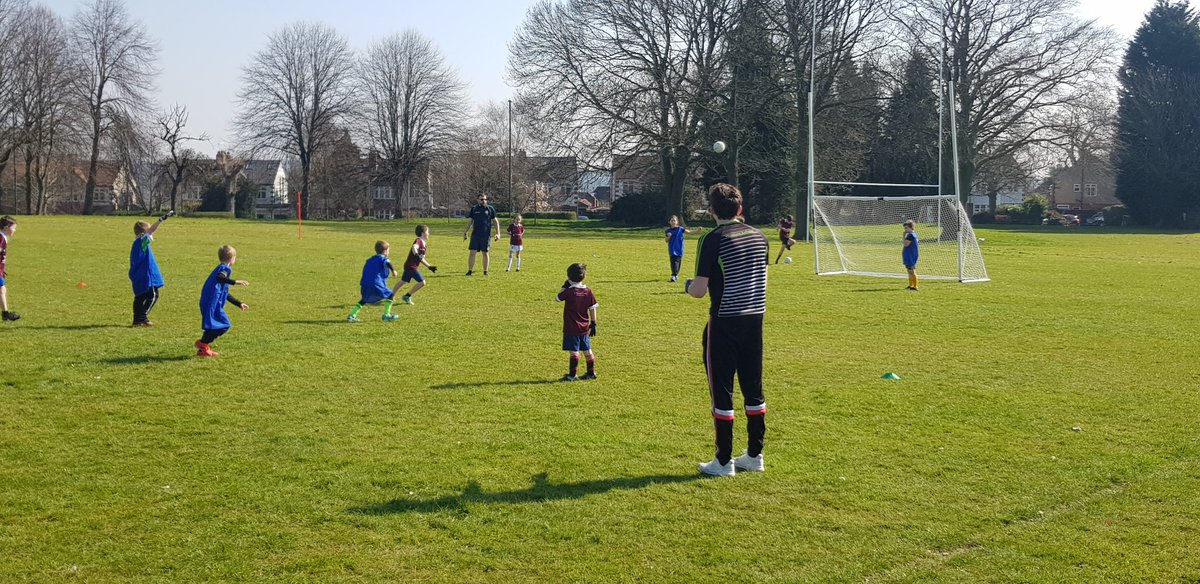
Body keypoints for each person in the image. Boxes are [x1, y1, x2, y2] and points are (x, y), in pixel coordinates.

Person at [686, 183, 769, 477]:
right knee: (753, 389)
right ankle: (755, 455)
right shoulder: (760, 237)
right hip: (754, 320)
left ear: (711, 211)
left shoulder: (712, 239)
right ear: (740, 210)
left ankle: (723, 462)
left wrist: (686, 286)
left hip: (724, 322)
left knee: (722, 391)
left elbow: (698, 291)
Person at [196, 245, 249, 357]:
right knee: (224, 325)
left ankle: (203, 349)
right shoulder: (224, 269)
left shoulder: (221, 268)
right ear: (232, 258)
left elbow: (225, 293)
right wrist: (236, 282)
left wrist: (239, 303)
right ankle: (202, 343)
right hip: (212, 304)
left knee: (213, 326)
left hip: (211, 303)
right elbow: (221, 278)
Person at [128, 210, 174, 327]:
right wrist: (160, 220)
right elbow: (151, 230)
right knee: (153, 295)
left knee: (139, 297)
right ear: (143, 233)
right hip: (145, 276)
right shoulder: (141, 243)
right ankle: (142, 317)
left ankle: (136, 319)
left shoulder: (135, 244)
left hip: (138, 275)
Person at [555, 262, 598, 382]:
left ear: (569, 277)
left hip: (571, 327)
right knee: (587, 350)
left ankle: (572, 375)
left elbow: (558, 298)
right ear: (584, 277)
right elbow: (592, 307)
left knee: (574, 351)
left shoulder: (569, 292)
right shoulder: (588, 291)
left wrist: (565, 285)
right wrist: (593, 323)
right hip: (584, 327)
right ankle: (591, 372)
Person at [348, 240, 400, 322]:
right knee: (390, 294)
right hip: (376, 283)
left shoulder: (370, 259)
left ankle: (352, 315)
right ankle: (386, 315)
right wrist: (393, 270)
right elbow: (387, 262)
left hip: (365, 283)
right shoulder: (383, 258)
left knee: (364, 299)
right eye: (389, 250)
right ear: (385, 251)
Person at [392, 225, 437, 305]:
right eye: (427, 232)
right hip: (411, 266)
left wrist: (429, 267)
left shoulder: (424, 245)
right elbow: (414, 247)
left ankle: (390, 296)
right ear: (423, 233)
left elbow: (421, 259)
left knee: (403, 281)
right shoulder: (419, 240)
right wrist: (416, 253)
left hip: (411, 266)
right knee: (422, 282)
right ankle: (407, 296)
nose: (429, 233)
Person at [463, 194, 500, 275]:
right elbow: (470, 221)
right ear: (478, 200)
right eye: (481, 199)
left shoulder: (490, 209)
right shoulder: (474, 209)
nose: (483, 201)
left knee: (485, 252)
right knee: (472, 252)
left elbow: (495, 221)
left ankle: (485, 271)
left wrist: (498, 233)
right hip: (475, 235)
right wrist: (466, 232)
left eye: (485, 199)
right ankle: (470, 270)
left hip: (486, 235)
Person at [664, 215, 700, 282]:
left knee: (678, 262)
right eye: (672, 220)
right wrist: (669, 236)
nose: (673, 222)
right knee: (673, 263)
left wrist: (696, 231)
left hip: (679, 249)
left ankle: (675, 275)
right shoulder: (668, 231)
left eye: (674, 220)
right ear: (669, 222)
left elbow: (689, 232)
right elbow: (666, 240)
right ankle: (673, 275)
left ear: (677, 222)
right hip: (672, 249)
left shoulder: (680, 229)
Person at [0, 215, 18, 322]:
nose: (14, 230)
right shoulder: (1, 238)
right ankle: (5, 314)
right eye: (13, 227)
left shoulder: (3, 237)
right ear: (7, 227)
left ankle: (5, 314)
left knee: (2, 289)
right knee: (2, 289)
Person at [903, 219, 919, 291]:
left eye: (906, 228)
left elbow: (906, 244)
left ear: (911, 227)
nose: (905, 229)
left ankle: (915, 286)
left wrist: (904, 236)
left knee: (912, 271)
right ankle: (911, 285)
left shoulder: (911, 235)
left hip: (911, 256)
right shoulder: (912, 234)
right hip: (909, 255)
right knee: (909, 271)